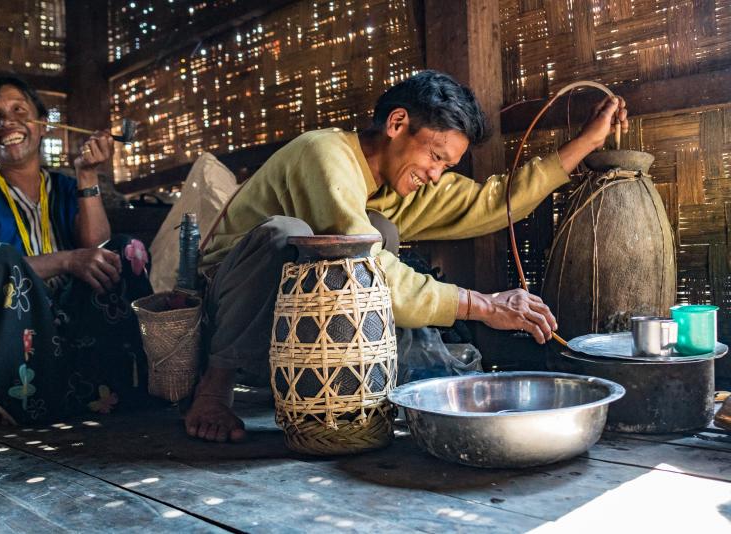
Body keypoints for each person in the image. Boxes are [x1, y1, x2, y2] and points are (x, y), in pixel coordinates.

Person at [184, 70, 628, 443]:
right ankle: (215, 388)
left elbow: (497, 202)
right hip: (228, 308)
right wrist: (483, 305)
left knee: (381, 230)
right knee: (291, 235)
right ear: (397, 123)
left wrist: (588, 142)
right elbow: (368, 268)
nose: (436, 175)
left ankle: (338, 389)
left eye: (446, 166)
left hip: (288, 330)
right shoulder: (324, 154)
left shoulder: (400, 184)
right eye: (435, 156)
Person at [0, 77, 153, 425]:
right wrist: (67, 260)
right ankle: (9, 397)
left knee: (124, 250)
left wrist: (86, 176)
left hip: (72, 327)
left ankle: (124, 384)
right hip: (6, 338)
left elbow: (97, 248)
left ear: (42, 125)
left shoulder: (66, 186)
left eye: (17, 110)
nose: (6, 121)